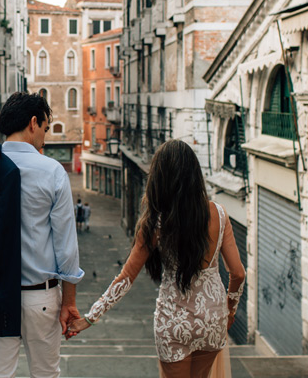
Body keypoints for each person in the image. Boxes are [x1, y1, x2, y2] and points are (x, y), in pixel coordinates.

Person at [67, 140, 245, 378]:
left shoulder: (155, 224)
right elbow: (238, 274)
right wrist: (230, 311)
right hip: (212, 320)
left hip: (173, 323)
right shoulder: (220, 215)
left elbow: (126, 278)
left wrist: (90, 317)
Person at [0, 92, 86, 377]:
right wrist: (69, 302)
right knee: (45, 374)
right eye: (45, 128)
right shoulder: (52, 171)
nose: (44, 136)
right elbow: (66, 246)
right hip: (40, 298)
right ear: (33, 123)